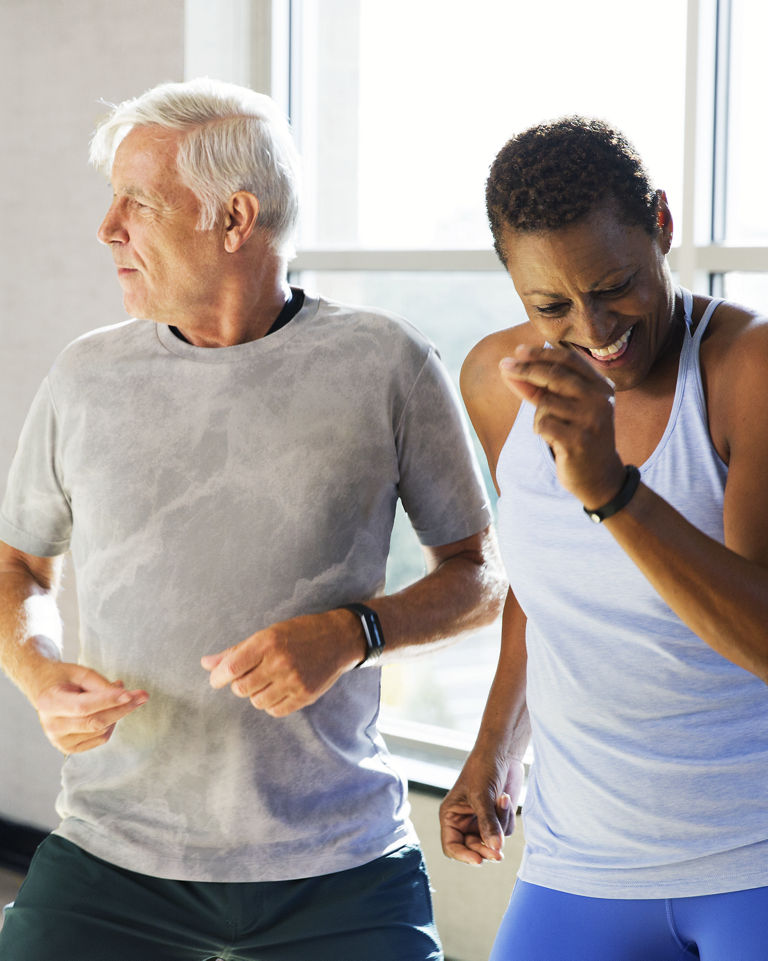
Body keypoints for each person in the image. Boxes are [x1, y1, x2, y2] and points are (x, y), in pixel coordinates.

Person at [0, 78, 505, 961]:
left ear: (234, 219)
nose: (107, 227)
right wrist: (37, 669)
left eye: (139, 203)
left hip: (340, 862)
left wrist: (358, 630)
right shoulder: (84, 377)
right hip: (114, 853)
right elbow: (19, 567)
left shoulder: (386, 363)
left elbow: (481, 575)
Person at [438, 116, 768, 961]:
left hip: (755, 853)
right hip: (578, 860)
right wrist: (491, 750)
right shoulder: (498, 382)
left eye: (616, 285)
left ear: (661, 223)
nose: (595, 330)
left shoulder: (747, 372)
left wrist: (612, 491)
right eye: (551, 305)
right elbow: (540, 584)